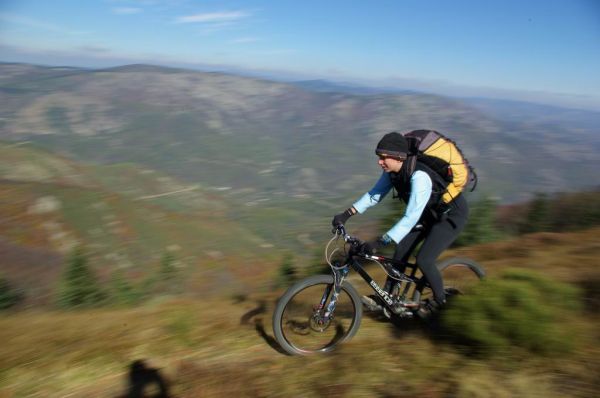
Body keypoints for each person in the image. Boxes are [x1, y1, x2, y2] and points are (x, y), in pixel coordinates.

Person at [331, 131, 469, 315]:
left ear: (397, 157)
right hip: (428, 214)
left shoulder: (420, 177)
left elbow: (410, 217)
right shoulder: (392, 173)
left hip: (450, 216)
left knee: (424, 259)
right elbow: (374, 195)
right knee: (401, 250)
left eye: (383, 157)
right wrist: (346, 214)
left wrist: (380, 242)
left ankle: (440, 302)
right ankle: (388, 297)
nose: (379, 161)